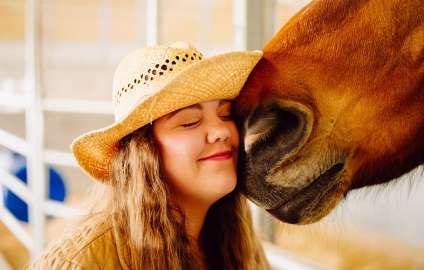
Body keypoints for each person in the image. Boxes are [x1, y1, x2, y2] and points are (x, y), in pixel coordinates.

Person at [29, 42, 269, 269]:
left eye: (226, 114)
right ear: (143, 151)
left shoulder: (238, 239)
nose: (221, 131)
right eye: (189, 122)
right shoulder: (79, 262)